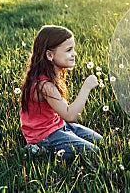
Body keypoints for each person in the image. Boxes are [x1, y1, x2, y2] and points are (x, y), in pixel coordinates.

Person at [20, 25, 102, 160]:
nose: (74, 54)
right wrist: (86, 87)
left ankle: (65, 138)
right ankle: (38, 149)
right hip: (45, 136)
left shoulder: (53, 74)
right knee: (93, 152)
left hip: (59, 125)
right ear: (50, 55)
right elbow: (70, 115)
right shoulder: (44, 85)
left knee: (100, 141)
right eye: (69, 50)